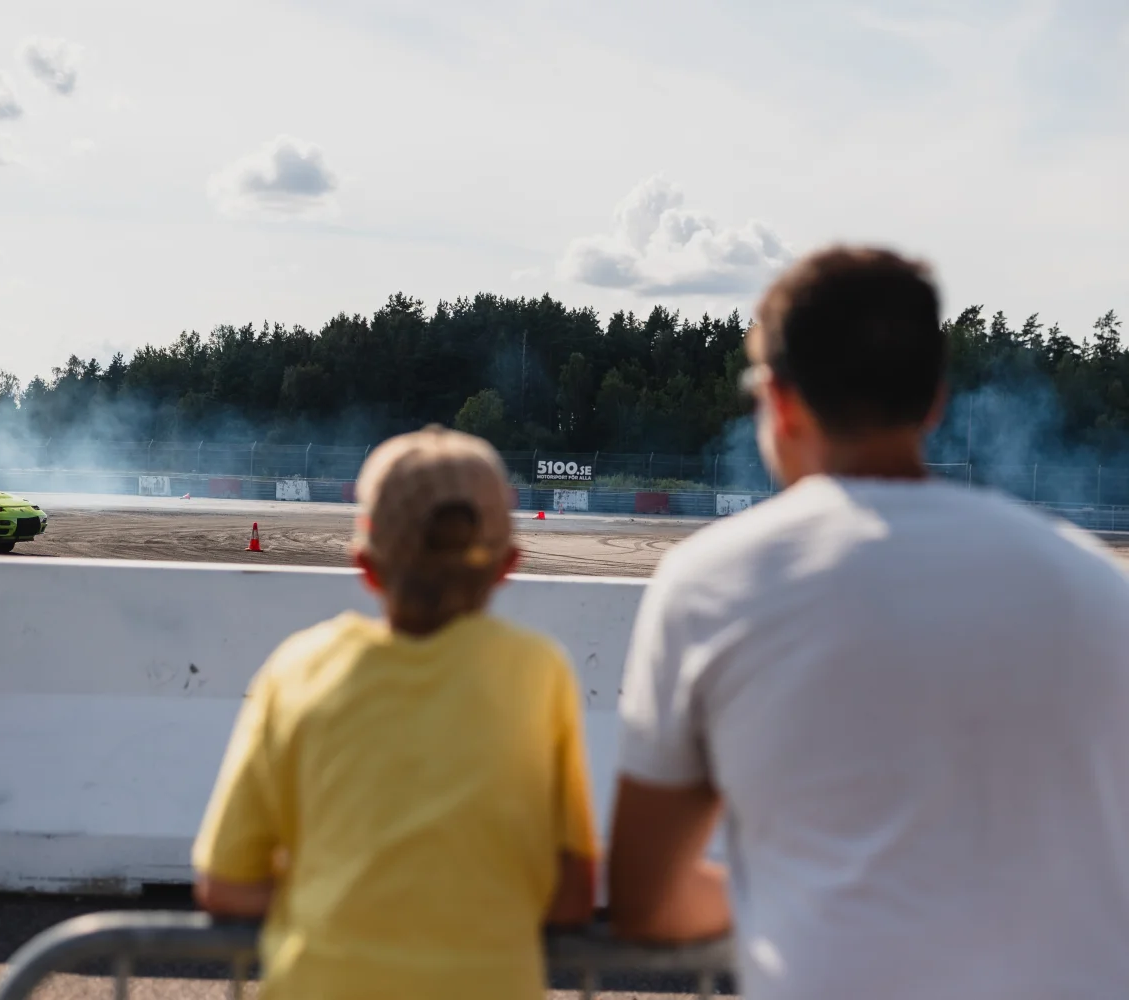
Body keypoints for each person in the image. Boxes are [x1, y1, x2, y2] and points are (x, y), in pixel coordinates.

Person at [607, 246, 1129, 1000]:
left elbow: (645, 900)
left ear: (780, 402)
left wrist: (789, 904)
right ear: (934, 403)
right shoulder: (1092, 582)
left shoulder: (712, 584)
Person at [192, 425, 597, 1000]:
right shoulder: (539, 671)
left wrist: (338, 893)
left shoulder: (299, 669)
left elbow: (225, 885)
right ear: (508, 563)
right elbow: (575, 897)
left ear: (366, 564)